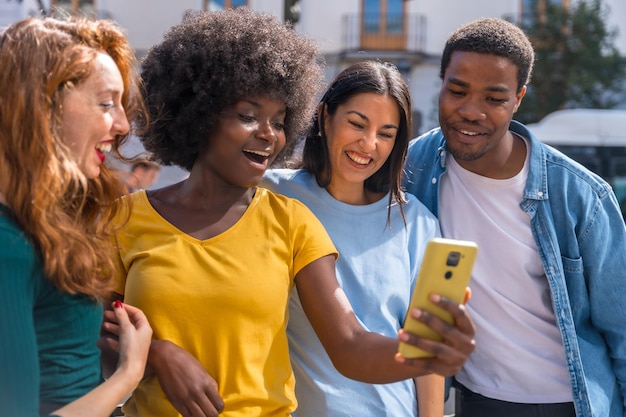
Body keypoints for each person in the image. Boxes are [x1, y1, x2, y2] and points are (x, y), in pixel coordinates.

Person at [107, 8, 475, 417]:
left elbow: (350, 344)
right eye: (248, 116)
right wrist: (156, 356)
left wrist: (424, 354)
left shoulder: (292, 219)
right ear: (199, 113)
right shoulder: (124, 219)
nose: (268, 134)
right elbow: (92, 338)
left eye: (279, 121)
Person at [403, 17, 626, 417]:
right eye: (457, 91)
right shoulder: (412, 167)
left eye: (494, 98)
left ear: (519, 97)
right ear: (441, 85)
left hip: (572, 401)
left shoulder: (581, 196)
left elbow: (622, 328)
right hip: (474, 400)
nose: (471, 111)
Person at [261, 60, 444, 417]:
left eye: (387, 133)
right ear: (325, 116)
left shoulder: (420, 224)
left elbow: (428, 353)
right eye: (357, 124)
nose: (369, 143)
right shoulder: (272, 195)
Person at [0, 16, 153, 417]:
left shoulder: (40, 222)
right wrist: (129, 373)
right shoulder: (7, 243)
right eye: (105, 103)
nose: (121, 125)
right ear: (41, 105)